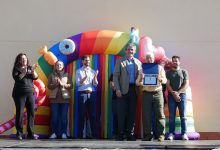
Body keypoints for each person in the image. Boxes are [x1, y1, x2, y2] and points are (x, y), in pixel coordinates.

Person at [113, 43, 142, 141]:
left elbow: (140, 76)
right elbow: (115, 76)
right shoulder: (120, 61)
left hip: (134, 90)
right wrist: (117, 89)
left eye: (132, 50)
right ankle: (120, 134)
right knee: (121, 113)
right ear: (126, 51)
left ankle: (130, 133)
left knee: (132, 113)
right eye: (129, 49)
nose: (130, 51)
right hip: (122, 90)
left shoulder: (138, 62)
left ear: (135, 51)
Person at [136, 52, 166, 142]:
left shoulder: (160, 68)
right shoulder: (142, 70)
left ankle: (161, 135)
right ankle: (148, 135)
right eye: (148, 58)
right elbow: (137, 82)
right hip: (146, 94)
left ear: (154, 59)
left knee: (160, 114)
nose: (150, 59)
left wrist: (161, 79)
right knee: (146, 115)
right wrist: (142, 81)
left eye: (151, 58)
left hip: (158, 93)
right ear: (146, 59)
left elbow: (165, 80)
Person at [12, 53, 38, 140]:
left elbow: (36, 77)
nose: (24, 60)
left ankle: (30, 133)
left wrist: (33, 71)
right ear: (19, 60)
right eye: (22, 59)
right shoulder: (16, 68)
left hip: (30, 92)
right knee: (20, 113)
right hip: (19, 93)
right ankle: (19, 133)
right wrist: (24, 71)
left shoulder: (30, 68)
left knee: (31, 113)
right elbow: (18, 78)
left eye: (25, 59)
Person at [48, 60, 73, 139]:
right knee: (54, 117)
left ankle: (64, 133)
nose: (59, 66)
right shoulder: (51, 75)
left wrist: (63, 84)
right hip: (54, 99)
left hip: (64, 99)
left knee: (63, 117)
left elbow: (71, 85)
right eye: (57, 65)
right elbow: (49, 86)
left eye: (60, 65)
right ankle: (53, 133)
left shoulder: (67, 75)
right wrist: (56, 84)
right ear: (55, 66)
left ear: (63, 66)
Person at [166, 55, 189, 140]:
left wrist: (178, 93)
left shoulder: (184, 72)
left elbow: (186, 84)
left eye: (176, 61)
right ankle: (171, 133)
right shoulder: (168, 73)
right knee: (172, 116)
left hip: (182, 96)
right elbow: (167, 84)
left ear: (179, 62)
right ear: (172, 62)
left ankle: (184, 134)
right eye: (173, 61)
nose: (175, 62)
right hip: (171, 97)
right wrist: (174, 93)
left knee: (183, 116)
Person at [75, 55, 99, 139]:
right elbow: (78, 84)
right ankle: (80, 135)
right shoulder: (79, 71)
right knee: (81, 115)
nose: (87, 62)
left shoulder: (92, 71)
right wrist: (85, 77)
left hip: (92, 94)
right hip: (82, 93)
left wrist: (95, 76)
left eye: (88, 61)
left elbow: (95, 84)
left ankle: (94, 135)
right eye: (86, 60)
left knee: (92, 115)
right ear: (82, 61)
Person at [109, 73, 118, 139]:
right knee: (116, 115)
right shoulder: (114, 74)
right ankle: (115, 133)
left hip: (126, 98)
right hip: (116, 98)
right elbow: (112, 87)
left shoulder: (128, 73)